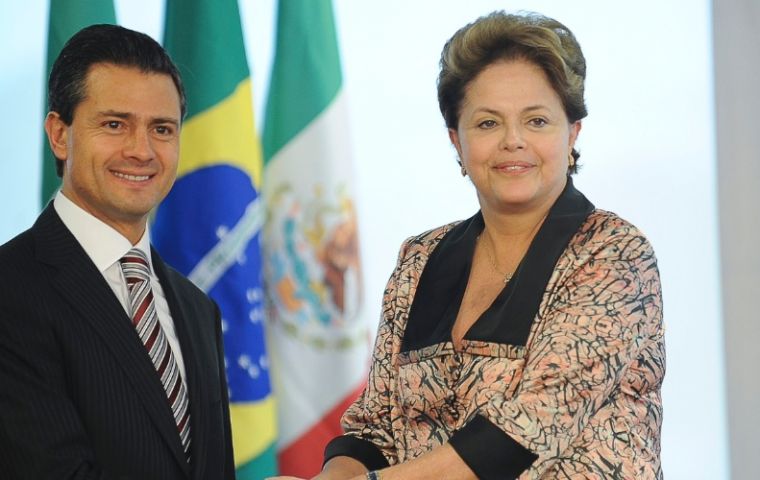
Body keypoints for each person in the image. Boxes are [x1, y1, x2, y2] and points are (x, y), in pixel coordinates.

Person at [272, 10, 665, 480]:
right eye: (487, 124)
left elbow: (519, 436)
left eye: (537, 121)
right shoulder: (420, 259)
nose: (513, 142)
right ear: (457, 142)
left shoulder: (612, 253)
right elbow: (374, 428)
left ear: (572, 134)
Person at [0, 24, 235, 479]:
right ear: (59, 134)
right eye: (115, 124)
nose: (141, 150)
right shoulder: (10, 291)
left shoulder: (197, 308)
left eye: (162, 128)